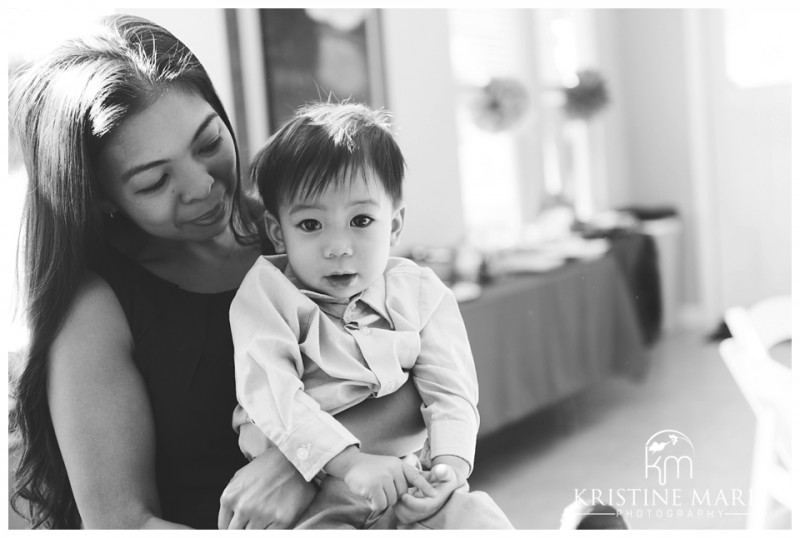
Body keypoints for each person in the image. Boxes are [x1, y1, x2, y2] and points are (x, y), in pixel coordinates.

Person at [7, 14, 433, 529]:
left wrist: (295, 463)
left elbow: (425, 389)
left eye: (208, 143)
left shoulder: (298, 234)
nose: (203, 186)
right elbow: (122, 523)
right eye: (154, 182)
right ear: (100, 198)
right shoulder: (96, 306)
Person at [230, 102, 512, 529]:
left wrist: (450, 466)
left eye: (361, 219)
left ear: (395, 225)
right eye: (310, 225)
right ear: (277, 232)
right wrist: (351, 463)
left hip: (408, 480)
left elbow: (450, 390)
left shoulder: (420, 292)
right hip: (314, 496)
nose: (338, 246)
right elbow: (273, 397)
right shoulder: (267, 295)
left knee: (476, 517)